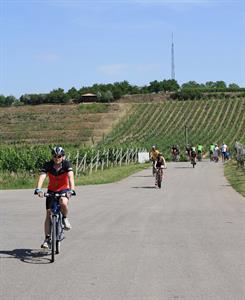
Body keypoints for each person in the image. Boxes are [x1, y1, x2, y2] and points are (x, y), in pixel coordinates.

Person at [34, 146, 75, 249]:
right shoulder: (48, 165)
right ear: (52, 157)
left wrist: (72, 190)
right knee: (48, 213)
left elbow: (71, 177)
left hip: (64, 189)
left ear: (63, 156)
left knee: (63, 202)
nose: (57, 158)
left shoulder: (67, 164)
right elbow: (42, 176)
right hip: (51, 190)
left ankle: (65, 218)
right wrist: (38, 189)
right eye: (55, 156)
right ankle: (47, 239)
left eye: (59, 156)